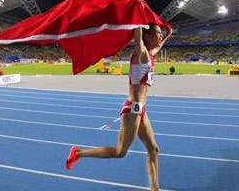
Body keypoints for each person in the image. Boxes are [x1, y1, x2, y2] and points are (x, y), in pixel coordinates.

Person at [66, 23, 172, 191]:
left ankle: (155, 188)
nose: (160, 36)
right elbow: (139, 41)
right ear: (148, 37)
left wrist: (167, 35)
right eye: (158, 34)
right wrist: (137, 22)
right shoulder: (142, 53)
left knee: (154, 149)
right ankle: (78, 153)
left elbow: (157, 47)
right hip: (132, 109)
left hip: (140, 110)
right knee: (120, 152)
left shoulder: (150, 54)